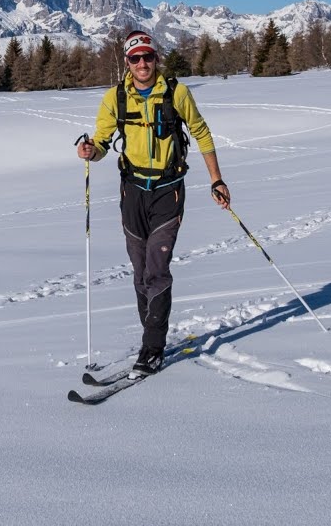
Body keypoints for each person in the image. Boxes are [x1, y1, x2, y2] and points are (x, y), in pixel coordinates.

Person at [75, 30, 231, 378]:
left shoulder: (176, 92)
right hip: (132, 193)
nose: (143, 63)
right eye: (136, 58)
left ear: (156, 58)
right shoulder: (115, 98)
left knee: (156, 268)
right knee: (140, 271)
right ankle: (152, 333)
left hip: (168, 190)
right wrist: (90, 151)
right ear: (127, 63)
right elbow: (101, 143)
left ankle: (152, 348)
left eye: (148, 56)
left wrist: (216, 180)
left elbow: (201, 133)